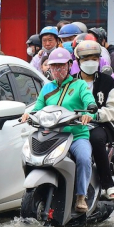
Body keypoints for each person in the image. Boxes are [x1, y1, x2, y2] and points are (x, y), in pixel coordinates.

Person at [21, 47, 97, 213]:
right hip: (52, 135)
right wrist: (28, 114)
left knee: (84, 158)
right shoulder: (47, 88)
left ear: (69, 65)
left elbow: (88, 101)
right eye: (54, 66)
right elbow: (38, 107)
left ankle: (81, 196)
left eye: (61, 66)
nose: (57, 70)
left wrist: (90, 111)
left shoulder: (79, 85)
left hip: (76, 135)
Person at [73, 40, 114, 200]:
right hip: (73, 125)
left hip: (100, 125)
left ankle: (107, 185)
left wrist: (95, 115)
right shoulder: (70, 82)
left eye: (94, 58)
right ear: (78, 60)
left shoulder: (107, 82)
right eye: (86, 58)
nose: (90, 62)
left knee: (96, 140)